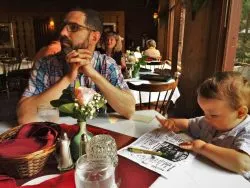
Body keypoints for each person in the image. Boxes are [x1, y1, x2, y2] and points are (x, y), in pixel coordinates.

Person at [17, 8, 135, 124]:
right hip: (56, 136)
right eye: (63, 26)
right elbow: (24, 117)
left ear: (94, 37)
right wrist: (68, 78)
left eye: (74, 27)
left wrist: (93, 74)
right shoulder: (45, 65)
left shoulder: (106, 64)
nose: (62, 33)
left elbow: (129, 110)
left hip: (98, 138)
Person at [156, 71, 250, 181]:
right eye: (204, 112)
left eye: (213, 115)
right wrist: (173, 122)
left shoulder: (246, 131)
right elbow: (189, 124)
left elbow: (242, 162)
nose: (206, 118)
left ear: (240, 113)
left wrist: (202, 147)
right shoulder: (209, 121)